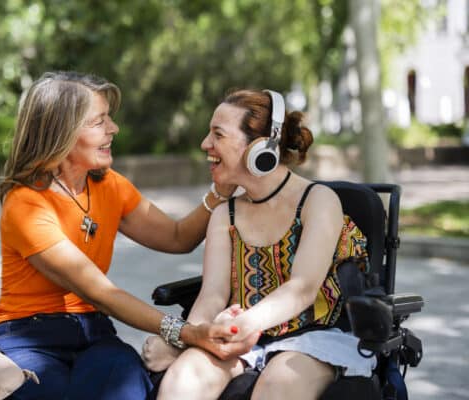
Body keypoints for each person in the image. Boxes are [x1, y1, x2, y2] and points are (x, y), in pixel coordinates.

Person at [0, 71, 258, 400]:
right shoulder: (25, 204)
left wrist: (220, 191)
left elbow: (177, 237)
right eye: (99, 121)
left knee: (127, 387)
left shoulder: (109, 185)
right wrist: (187, 333)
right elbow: (99, 292)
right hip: (28, 337)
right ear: (63, 133)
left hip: (93, 332)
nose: (113, 128)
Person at [142, 88, 376, 399]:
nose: (205, 144)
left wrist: (239, 326)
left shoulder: (317, 201)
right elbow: (212, 295)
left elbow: (302, 289)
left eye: (218, 135)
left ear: (260, 147)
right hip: (239, 336)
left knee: (277, 386)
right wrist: (191, 338)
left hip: (311, 338)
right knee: (183, 379)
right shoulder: (225, 213)